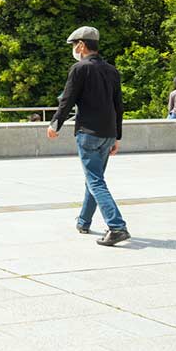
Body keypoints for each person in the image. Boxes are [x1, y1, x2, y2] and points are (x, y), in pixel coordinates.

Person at [46, 25, 130, 247]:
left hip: (88, 134)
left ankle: (117, 226)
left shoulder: (79, 68)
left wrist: (55, 123)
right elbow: (118, 106)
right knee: (94, 179)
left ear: (82, 45)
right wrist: (117, 136)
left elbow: (68, 99)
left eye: (75, 45)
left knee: (95, 180)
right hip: (108, 133)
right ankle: (84, 221)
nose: (74, 49)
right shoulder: (112, 71)